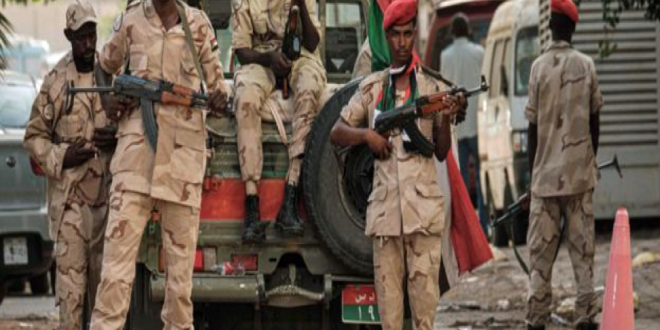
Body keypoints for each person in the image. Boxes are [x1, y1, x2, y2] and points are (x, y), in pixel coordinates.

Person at [88, 0, 228, 329]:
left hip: (182, 160)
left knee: (180, 285)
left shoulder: (198, 25)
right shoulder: (131, 21)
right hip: (134, 162)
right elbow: (103, 64)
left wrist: (220, 99)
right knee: (114, 275)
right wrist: (107, 100)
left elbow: (218, 85)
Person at [330, 1, 465, 328]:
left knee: (424, 318)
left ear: (414, 36)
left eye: (408, 34)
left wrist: (445, 117)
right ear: (386, 37)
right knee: (390, 319)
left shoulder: (433, 87)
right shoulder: (373, 89)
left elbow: (441, 152)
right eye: (396, 35)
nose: (402, 43)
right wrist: (367, 137)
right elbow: (336, 132)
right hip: (387, 220)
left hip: (422, 219)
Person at [23, 1, 114, 328]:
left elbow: (136, 127)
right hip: (72, 208)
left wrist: (115, 139)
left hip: (109, 207)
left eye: (91, 35)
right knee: (72, 302)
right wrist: (63, 157)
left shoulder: (112, 74)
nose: (88, 45)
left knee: (106, 305)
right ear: (68, 37)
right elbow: (33, 137)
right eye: (80, 38)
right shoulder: (57, 82)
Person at [524, 0, 602, 329]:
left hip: (544, 179)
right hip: (580, 177)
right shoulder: (587, 66)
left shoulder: (538, 68)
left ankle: (537, 320)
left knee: (540, 259)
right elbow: (596, 121)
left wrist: (533, 173)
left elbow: (531, 129)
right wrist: (588, 160)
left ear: (551, 26)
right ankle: (585, 316)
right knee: (582, 254)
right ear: (572, 27)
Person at [232, 0, 327, 243]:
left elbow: (313, 42)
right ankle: (252, 207)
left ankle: (291, 195)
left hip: (301, 57)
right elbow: (242, 52)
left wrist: (300, 5)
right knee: (245, 100)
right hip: (260, 57)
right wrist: (269, 59)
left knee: (309, 91)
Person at [440, 13, 488, 235]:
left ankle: (463, 230)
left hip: (456, 128)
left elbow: (444, 88)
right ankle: (484, 226)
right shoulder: (479, 52)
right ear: (467, 31)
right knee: (481, 177)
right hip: (477, 124)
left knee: (458, 181)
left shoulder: (445, 56)